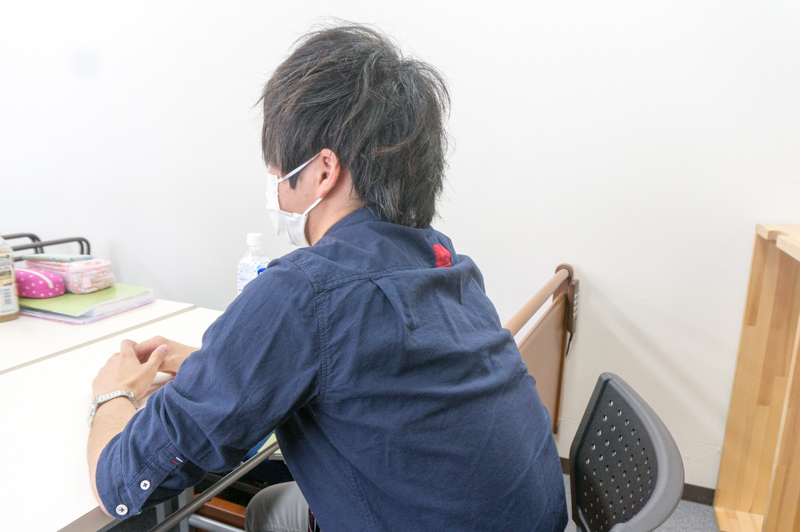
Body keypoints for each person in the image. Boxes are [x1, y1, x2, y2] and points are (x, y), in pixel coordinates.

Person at [88, 23, 568, 531]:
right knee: (269, 506)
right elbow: (368, 382)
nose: (275, 187)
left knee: (268, 507)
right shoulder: (442, 261)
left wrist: (111, 395)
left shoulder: (305, 290)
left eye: (276, 171)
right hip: (531, 517)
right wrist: (215, 370)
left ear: (322, 171)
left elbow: (121, 484)